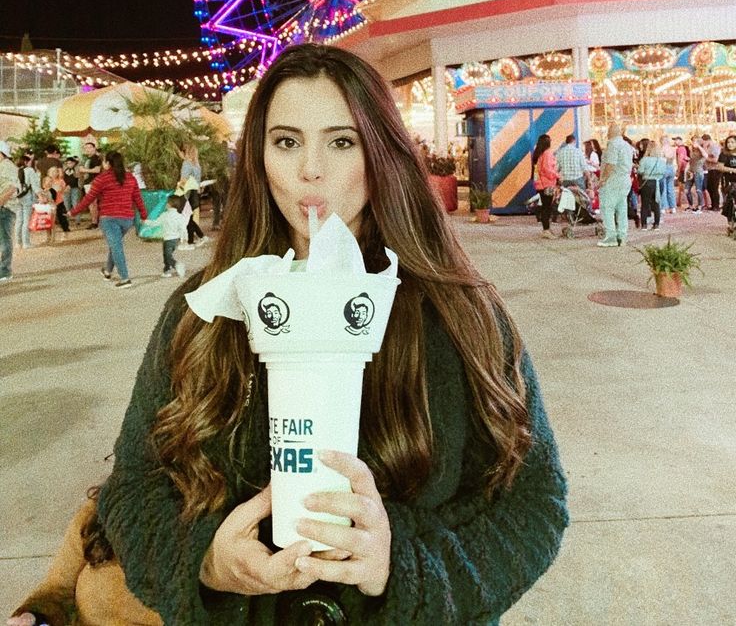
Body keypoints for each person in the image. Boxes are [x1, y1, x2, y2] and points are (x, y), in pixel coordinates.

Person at [11, 44, 568, 626]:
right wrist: (204, 561)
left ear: (383, 153)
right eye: (286, 141)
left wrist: (403, 570)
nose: (311, 169)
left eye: (341, 141)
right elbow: (135, 482)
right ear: (259, 158)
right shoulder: (203, 311)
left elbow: (536, 504)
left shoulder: (463, 314)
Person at [69, 151, 147, 289]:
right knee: (115, 244)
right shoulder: (130, 178)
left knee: (116, 246)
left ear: (108, 163)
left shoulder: (101, 179)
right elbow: (137, 198)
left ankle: (125, 278)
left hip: (109, 219)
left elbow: (89, 199)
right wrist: (144, 215)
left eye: (104, 161)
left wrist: (73, 212)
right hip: (127, 219)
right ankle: (107, 271)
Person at [597, 122, 635, 247]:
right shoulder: (626, 145)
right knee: (622, 208)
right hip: (625, 179)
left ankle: (611, 237)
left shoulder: (613, 145)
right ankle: (622, 235)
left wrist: (603, 179)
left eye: (608, 131)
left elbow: (611, 164)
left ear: (611, 132)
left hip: (613, 180)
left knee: (608, 208)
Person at [144, 194, 188, 278]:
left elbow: (155, 223)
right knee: (168, 255)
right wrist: (184, 238)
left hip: (168, 240)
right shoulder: (180, 216)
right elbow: (183, 228)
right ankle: (166, 270)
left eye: (167, 203)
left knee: (167, 256)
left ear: (169, 204)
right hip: (176, 240)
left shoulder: (165, 215)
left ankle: (177, 265)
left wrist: (145, 222)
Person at [177, 144, 209, 250]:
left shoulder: (186, 164)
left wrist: (178, 188)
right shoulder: (197, 165)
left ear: (185, 152)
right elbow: (198, 181)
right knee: (190, 216)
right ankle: (192, 240)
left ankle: (199, 237)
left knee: (187, 216)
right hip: (195, 192)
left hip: (187, 192)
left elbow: (184, 180)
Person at [532, 133, 560, 238]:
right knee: (547, 208)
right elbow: (547, 169)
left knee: (545, 206)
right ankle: (546, 230)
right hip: (548, 184)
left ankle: (546, 229)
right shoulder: (547, 153)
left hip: (540, 184)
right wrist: (557, 175)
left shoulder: (539, 154)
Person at [0, 141, 20, 284]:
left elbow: (12, 187)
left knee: (5, 239)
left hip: (5, 208)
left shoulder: (7, 166)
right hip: (3, 207)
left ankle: (5, 270)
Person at [637, 141, 667, 230]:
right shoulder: (662, 160)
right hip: (658, 182)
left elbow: (640, 171)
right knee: (656, 203)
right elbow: (663, 172)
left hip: (647, 182)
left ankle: (644, 225)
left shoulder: (644, 160)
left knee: (645, 204)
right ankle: (656, 224)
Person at [15, 154, 38, 250]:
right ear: (26, 161)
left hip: (17, 198)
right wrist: (40, 195)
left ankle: (18, 243)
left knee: (19, 220)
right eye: (30, 162)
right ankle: (26, 243)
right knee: (26, 220)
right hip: (27, 197)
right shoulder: (30, 170)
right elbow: (35, 185)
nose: (30, 163)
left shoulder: (15, 170)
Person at [78, 141, 103, 227]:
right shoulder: (87, 159)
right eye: (86, 148)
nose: (87, 149)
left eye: (89, 147)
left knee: (93, 203)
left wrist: (83, 170)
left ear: (94, 148)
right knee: (91, 203)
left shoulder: (96, 158)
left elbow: (97, 170)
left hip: (93, 183)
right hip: (87, 182)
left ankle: (94, 222)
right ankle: (94, 221)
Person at [716, 134, 736, 232]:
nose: (730, 144)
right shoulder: (724, 154)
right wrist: (732, 170)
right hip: (729, 181)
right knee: (730, 201)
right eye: (728, 142)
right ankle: (730, 223)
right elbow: (719, 167)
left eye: (732, 142)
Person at [684, 140, 706, 213]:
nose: (693, 144)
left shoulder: (702, 152)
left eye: (695, 142)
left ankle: (700, 206)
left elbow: (706, 155)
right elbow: (691, 162)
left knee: (698, 190)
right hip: (690, 172)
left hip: (698, 172)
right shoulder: (692, 152)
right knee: (686, 190)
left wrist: (699, 146)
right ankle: (691, 205)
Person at [62, 157, 82, 224]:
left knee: (75, 203)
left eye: (70, 163)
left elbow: (76, 179)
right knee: (66, 203)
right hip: (65, 188)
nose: (69, 164)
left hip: (74, 188)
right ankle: (67, 218)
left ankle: (77, 219)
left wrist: (69, 186)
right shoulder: (65, 170)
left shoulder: (76, 169)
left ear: (74, 163)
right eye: (67, 163)